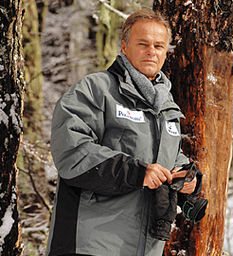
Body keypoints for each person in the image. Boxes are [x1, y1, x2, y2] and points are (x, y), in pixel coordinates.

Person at [46, 8, 200, 256]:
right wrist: (137, 172)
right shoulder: (96, 89)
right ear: (125, 46)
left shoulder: (166, 105)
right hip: (90, 243)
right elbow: (71, 152)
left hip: (145, 246)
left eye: (159, 46)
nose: (152, 51)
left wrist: (188, 179)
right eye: (143, 44)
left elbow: (169, 157)